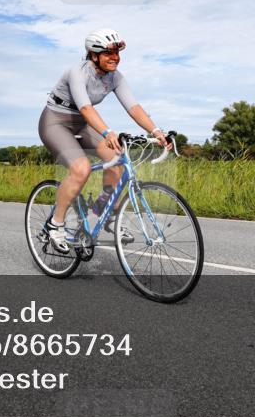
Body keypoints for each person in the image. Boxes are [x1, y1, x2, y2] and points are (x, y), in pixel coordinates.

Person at [38, 28, 170, 253]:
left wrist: (157, 131)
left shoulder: (115, 77)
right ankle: (54, 224)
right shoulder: (77, 72)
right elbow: (86, 108)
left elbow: (134, 107)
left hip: (81, 123)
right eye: (109, 53)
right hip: (55, 122)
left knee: (116, 159)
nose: (115, 58)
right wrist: (108, 132)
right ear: (93, 55)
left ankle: (105, 216)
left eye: (117, 53)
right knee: (81, 169)